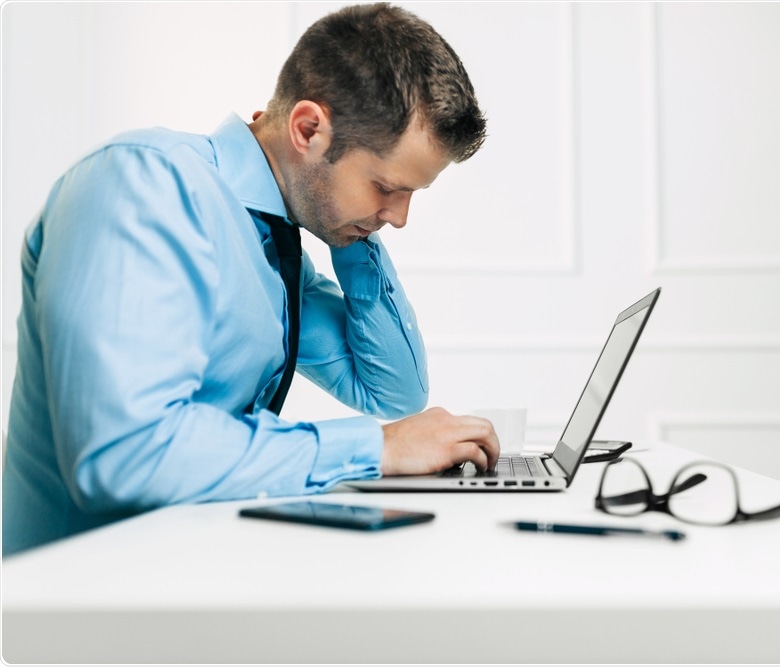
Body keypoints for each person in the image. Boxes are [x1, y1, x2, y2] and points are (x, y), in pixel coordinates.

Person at [2, 3, 499, 557]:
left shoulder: (274, 240)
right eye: (387, 186)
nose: (401, 217)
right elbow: (125, 454)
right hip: (89, 600)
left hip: (195, 572)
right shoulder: (145, 185)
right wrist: (376, 449)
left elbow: (391, 390)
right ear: (308, 128)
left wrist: (356, 226)